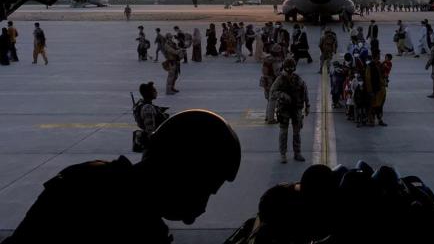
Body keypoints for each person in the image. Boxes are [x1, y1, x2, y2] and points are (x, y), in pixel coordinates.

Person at [2, 109, 241, 244]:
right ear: (179, 175)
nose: (198, 212)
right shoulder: (139, 230)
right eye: (203, 191)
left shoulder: (81, 181)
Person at [269, 58, 310, 163]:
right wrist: (283, 95)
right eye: (288, 71)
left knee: (297, 132)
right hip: (284, 109)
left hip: (296, 108)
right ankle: (283, 154)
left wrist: (307, 105)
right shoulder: (280, 80)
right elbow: (272, 92)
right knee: (283, 132)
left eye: (291, 70)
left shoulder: (298, 79)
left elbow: (304, 91)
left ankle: (297, 153)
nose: (289, 73)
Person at [365, 54, 387, 126]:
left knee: (380, 106)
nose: (378, 59)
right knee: (373, 105)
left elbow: (383, 76)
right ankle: (372, 120)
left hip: (381, 89)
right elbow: (368, 79)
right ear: (374, 58)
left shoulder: (380, 65)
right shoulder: (370, 66)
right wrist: (370, 90)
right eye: (377, 58)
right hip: (375, 90)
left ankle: (380, 119)